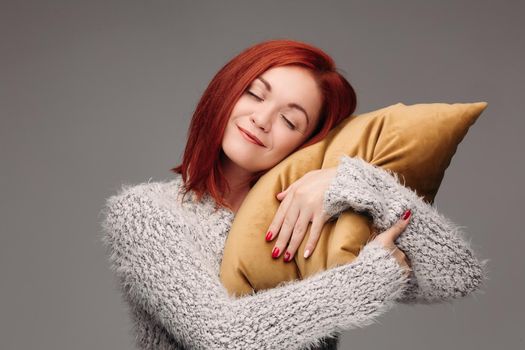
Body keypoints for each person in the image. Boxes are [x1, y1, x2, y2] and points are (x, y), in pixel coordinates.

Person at [100, 39, 487, 350]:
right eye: (253, 94)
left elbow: (457, 277)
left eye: (290, 120)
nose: (261, 119)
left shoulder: (316, 210)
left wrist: (356, 184)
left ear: (306, 142)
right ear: (226, 91)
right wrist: (367, 279)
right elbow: (221, 337)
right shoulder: (146, 213)